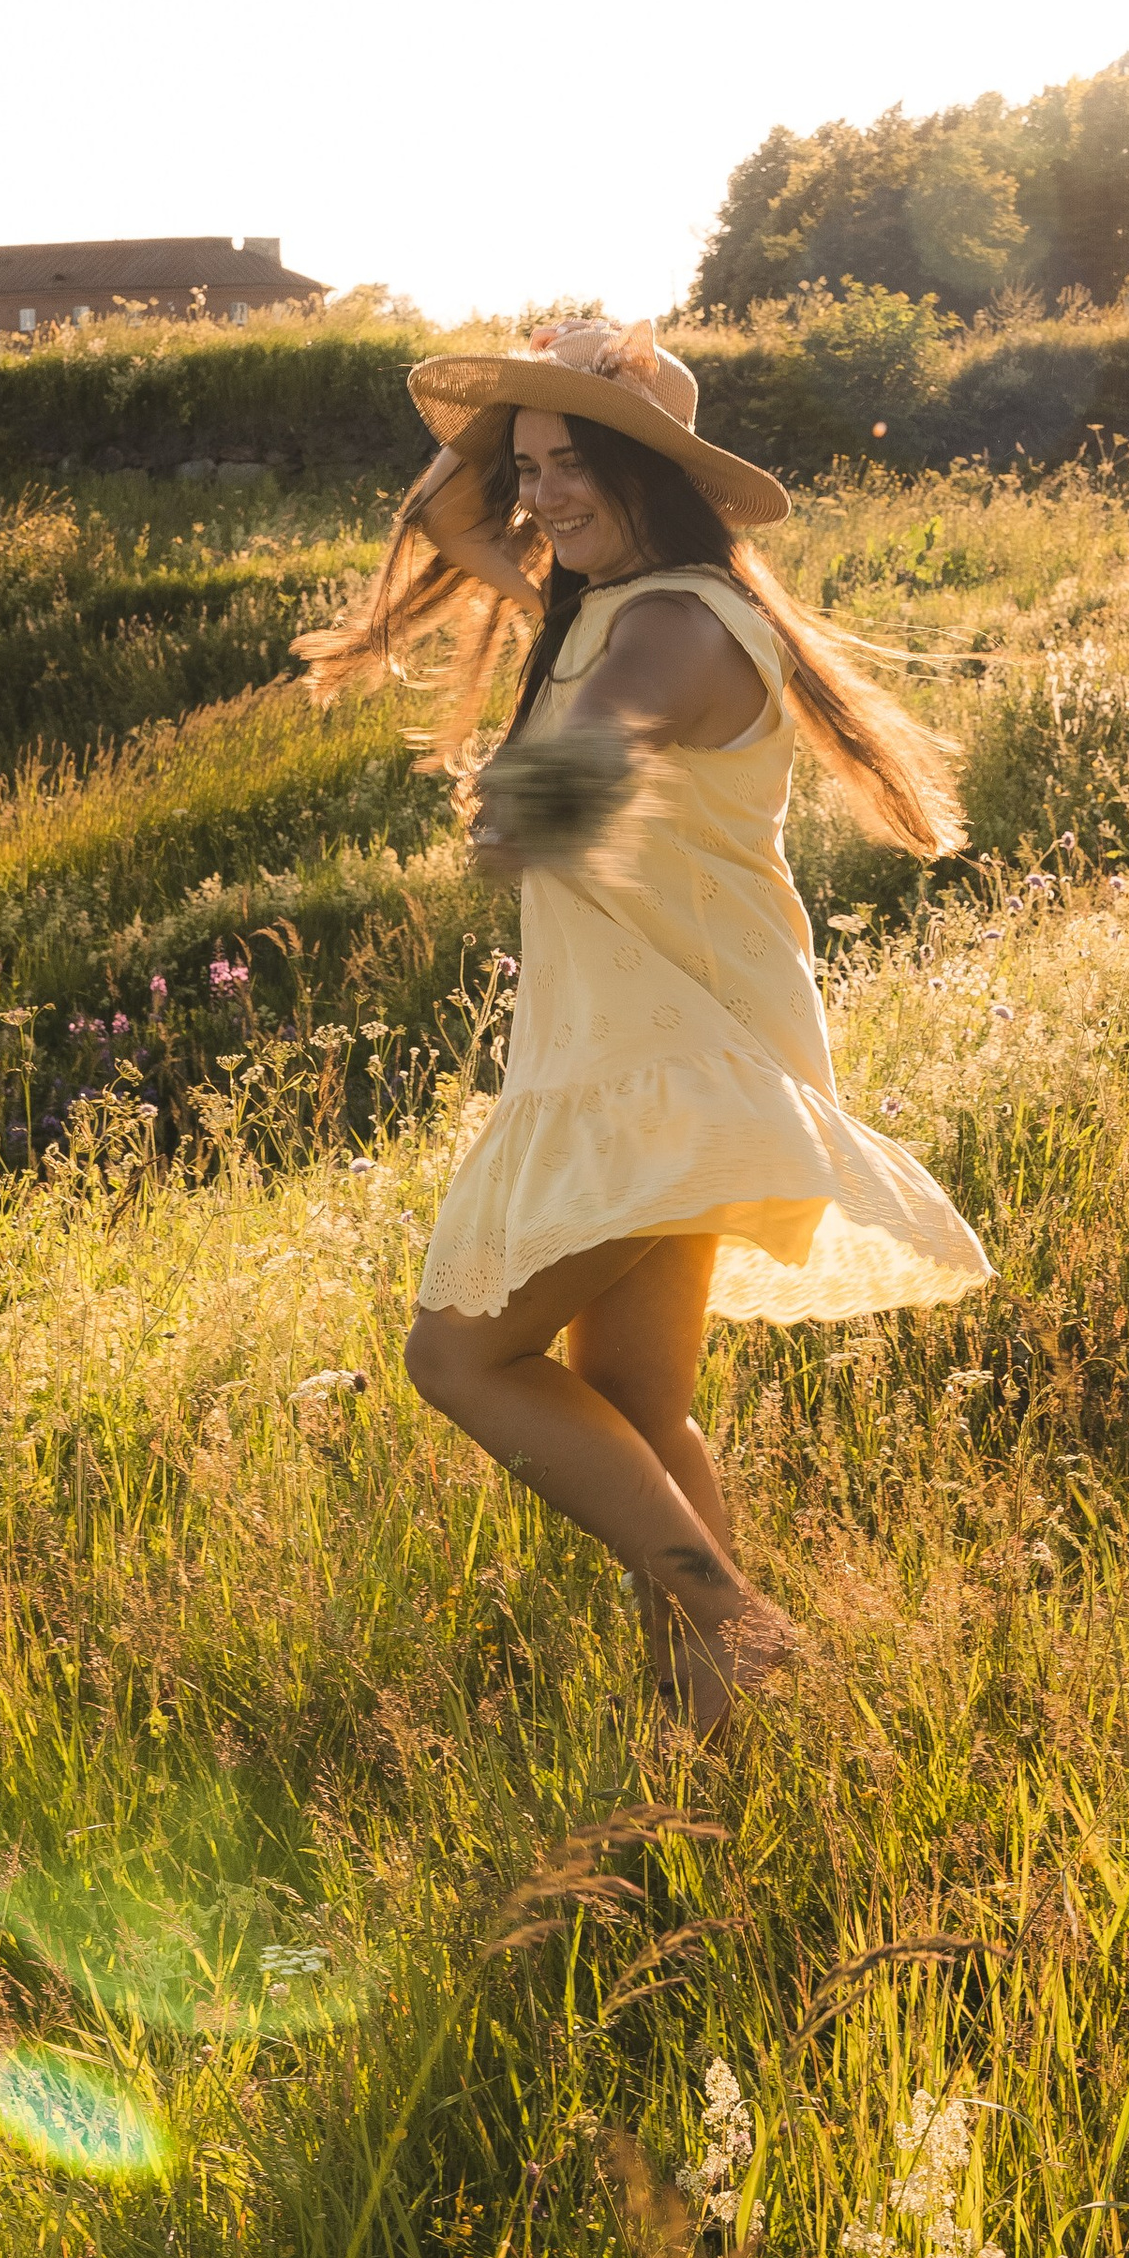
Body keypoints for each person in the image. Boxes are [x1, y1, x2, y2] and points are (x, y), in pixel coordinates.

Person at [295, 316, 991, 1731]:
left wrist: (518, 807)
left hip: (666, 1060)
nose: (537, 496)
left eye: (574, 467)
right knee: (633, 1395)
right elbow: (435, 504)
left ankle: (734, 1625)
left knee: (459, 1358)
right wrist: (540, 398)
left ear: (652, 478)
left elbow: (573, 772)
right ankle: (717, 1713)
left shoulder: (668, 626)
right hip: (663, 1044)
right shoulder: (619, 593)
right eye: (530, 468)